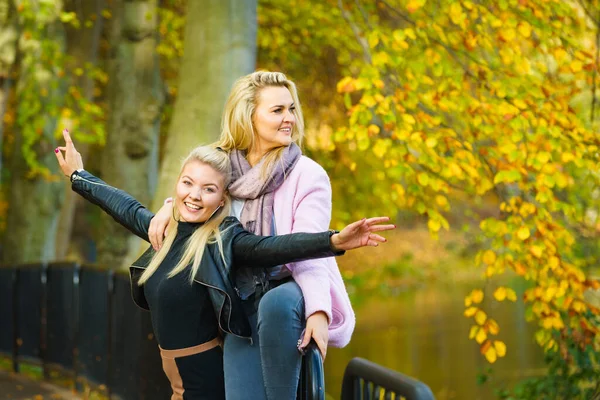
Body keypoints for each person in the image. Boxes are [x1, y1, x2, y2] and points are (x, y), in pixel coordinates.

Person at [54, 130, 394, 400]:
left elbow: (272, 248)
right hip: (177, 380)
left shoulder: (223, 240)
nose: (194, 195)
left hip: (206, 382)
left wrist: (332, 241)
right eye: (187, 183)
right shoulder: (166, 231)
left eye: (208, 189)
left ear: (222, 199)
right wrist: (77, 175)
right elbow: (125, 207)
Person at [149, 71, 372, 399]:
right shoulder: (224, 166)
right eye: (277, 110)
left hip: (290, 286)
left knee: (276, 305)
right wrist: (170, 208)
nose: (289, 119)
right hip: (242, 297)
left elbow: (307, 249)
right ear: (247, 116)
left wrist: (319, 312)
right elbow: (196, 192)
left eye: (291, 109)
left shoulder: (307, 175)